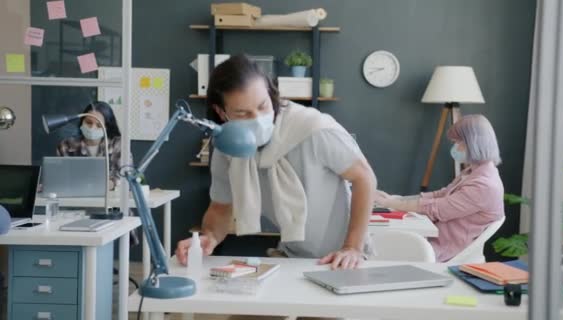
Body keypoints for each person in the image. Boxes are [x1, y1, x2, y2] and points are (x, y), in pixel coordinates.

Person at [176, 54, 377, 269]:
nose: (256, 118)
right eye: (242, 113)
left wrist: (352, 247)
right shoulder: (228, 146)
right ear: (221, 113)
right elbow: (221, 207)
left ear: (271, 95)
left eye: (263, 106)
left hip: (343, 256)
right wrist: (209, 238)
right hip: (292, 257)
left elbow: (364, 177)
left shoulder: (314, 128)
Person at [375, 114, 504, 262]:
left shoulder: (484, 185)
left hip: (445, 250)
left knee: (375, 248)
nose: (455, 147)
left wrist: (390, 204)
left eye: (458, 142)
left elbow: (436, 209)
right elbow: (442, 194)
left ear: (472, 143)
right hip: (435, 239)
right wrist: (398, 199)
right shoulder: (473, 171)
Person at [56, 101, 124, 190]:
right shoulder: (66, 146)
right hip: (75, 199)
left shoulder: (118, 144)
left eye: (99, 125)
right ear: (82, 122)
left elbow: (125, 176)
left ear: (107, 127)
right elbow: (60, 179)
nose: (92, 128)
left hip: (109, 200)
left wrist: (109, 184)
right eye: (88, 122)